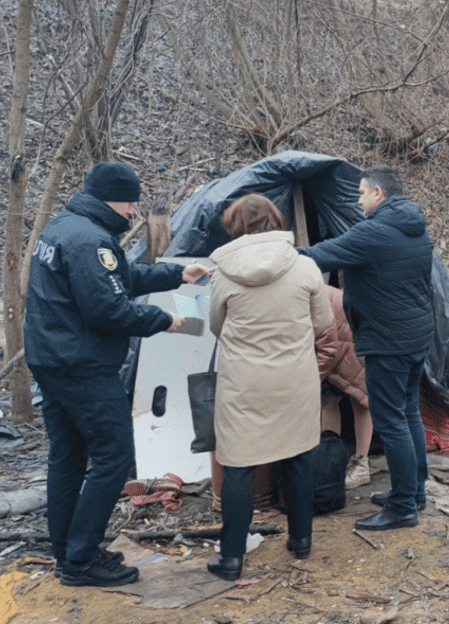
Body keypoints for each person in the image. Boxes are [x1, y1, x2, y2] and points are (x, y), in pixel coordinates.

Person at [24, 162, 211, 587]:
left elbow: (117, 278)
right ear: (115, 198)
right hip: (83, 366)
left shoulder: (64, 227)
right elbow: (108, 308)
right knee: (114, 457)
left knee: (67, 456)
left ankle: (67, 550)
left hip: (53, 360)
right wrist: (160, 319)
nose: (133, 212)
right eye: (131, 202)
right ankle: (83, 558)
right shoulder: (91, 240)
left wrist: (177, 273)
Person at [300, 166, 434, 531]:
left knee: (391, 422)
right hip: (416, 336)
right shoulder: (415, 226)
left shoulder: (374, 233)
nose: (358, 201)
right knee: (407, 414)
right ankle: (413, 491)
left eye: (361, 193)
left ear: (378, 193)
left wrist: (267, 254)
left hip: (388, 341)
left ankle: (403, 506)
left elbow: (317, 255)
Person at [206, 194, 331, 581]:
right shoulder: (305, 266)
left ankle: (231, 558)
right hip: (295, 379)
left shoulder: (222, 273)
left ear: (234, 226)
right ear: (275, 221)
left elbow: (215, 326)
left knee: (240, 466)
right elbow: (323, 322)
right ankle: (302, 540)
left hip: (243, 383)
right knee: (296, 456)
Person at [315, 284, 375, 488]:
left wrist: (312, 379)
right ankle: (331, 462)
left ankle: (361, 464)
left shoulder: (307, 293)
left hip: (356, 338)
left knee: (361, 400)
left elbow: (328, 348)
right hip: (340, 337)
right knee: (328, 400)